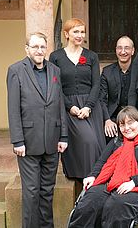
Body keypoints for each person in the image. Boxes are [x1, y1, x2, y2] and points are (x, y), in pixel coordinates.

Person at [6, 32, 68, 228]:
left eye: (42, 47)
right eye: (35, 47)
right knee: (32, 192)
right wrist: (17, 141)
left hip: (52, 141)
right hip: (28, 142)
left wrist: (63, 135)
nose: (39, 51)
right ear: (27, 49)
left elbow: (60, 104)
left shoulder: (55, 71)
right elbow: (13, 108)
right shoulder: (16, 70)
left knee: (47, 191)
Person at [68, 106, 138, 228]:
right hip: (113, 182)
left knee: (116, 204)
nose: (127, 128)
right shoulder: (116, 142)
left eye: (130, 123)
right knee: (90, 200)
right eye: (122, 125)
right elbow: (102, 161)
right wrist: (92, 175)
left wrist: (133, 182)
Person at [49, 18, 106, 180]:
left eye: (82, 31)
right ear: (66, 34)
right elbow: (55, 86)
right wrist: (69, 106)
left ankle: (96, 179)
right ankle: (82, 176)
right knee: (87, 141)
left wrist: (88, 106)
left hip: (90, 107)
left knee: (97, 144)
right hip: (68, 107)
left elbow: (96, 84)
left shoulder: (91, 56)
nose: (80, 35)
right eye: (76, 31)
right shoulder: (56, 57)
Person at [100, 36, 135, 140]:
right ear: (116, 50)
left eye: (127, 48)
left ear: (132, 51)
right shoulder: (107, 71)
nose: (123, 52)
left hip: (134, 117)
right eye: (119, 48)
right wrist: (107, 120)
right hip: (113, 118)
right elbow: (101, 99)